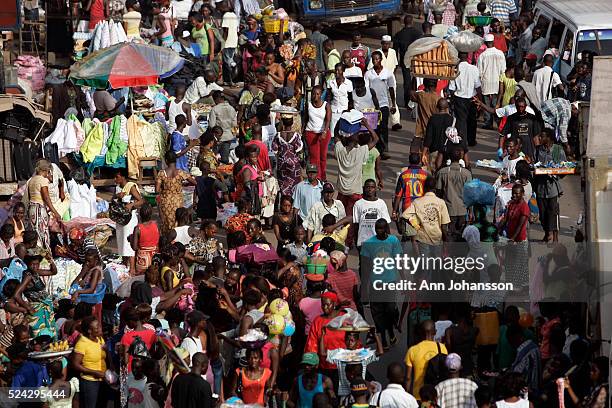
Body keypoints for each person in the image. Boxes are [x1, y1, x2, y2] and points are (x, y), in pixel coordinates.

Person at [534, 129, 566, 242]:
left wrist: (556, 172)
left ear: (548, 138)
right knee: (542, 214)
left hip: (553, 187)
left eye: (542, 136)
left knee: (553, 211)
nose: (540, 138)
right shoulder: (538, 150)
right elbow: (533, 164)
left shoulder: (558, 149)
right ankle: (547, 232)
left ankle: (554, 236)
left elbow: (564, 168)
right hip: (540, 186)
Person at [403, 176, 450, 252]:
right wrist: (445, 243)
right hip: (437, 238)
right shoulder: (441, 202)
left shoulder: (417, 202)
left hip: (423, 238)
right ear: (435, 189)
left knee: (425, 262)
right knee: (436, 262)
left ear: (424, 188)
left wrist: (417, 226)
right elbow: (444, 226)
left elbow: (405, 215)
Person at [405, 320, 448, 400]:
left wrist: (407, 396)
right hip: (437, 395)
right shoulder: (442, 348)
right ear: (435, 332)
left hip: (419, 396)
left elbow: (408, 378)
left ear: (420, 333)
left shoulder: (413, 350)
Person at [435, 146, 472, 240]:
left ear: (449, 157)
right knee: (461, 238)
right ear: (461, 158)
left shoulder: (442, 172)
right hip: (462, 210)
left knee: (448, 237)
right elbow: (470, 194)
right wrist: (471, 211)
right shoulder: (467, 174)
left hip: (447, 211)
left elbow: (438, 192)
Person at [365, 51, 396, 159]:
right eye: (373, 59)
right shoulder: (368, 74)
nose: (375, 61)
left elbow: (391, 89)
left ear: (381, 59)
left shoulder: (387, 73)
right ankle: (375, 149)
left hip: (384, 104)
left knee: (384, 127)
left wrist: (393, 104)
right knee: (374, 127)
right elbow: (366, 90)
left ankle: (384, 149)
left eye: (377, 59)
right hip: (372, 106)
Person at [71, 316, 108, 408]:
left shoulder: (99, 339)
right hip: (90, 382)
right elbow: (75, 364)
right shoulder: (82, 343)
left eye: (99, 326)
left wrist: (111, 367)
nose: (100, 328)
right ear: (89, 331)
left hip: (103, 379)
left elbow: (105, 356)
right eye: (97, 327)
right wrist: (94, 372)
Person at [156, 151, 196, 234]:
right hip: (178, 202)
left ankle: (168, 241)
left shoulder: (161, 173)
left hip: (166, 202)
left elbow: (157, 190)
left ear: (166, 160)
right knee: (178, 222)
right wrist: (181, 184)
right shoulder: (180, 172)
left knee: (167, 223)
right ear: (176, 160)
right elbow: (194, 182)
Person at [115, 167, 145, 272]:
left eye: (117, 177)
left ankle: (132, 268)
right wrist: (116, 196)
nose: (115, 179)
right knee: (121, 242)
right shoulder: (118, 188)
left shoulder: (130, 186)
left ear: (123, 177)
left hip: (129, 220)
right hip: (120, 219)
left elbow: (141, 201)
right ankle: (124, 265)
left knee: (129, 243)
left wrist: (132, 204)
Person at [27, 159, 62, 249]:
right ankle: (45, 257)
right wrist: (56, 212)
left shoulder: (32, 180)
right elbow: (46, 198)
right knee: (43, 234)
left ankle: (36, 255)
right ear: (46, 170)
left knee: (35, 233)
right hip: (39, 210)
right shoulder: (43, 180)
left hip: (32, 209)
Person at [450, 52, 482, 146]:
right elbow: (478, 86)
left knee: (461, 121)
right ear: (468, 56)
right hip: (472, 98)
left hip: (459, 98)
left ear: (459, 57)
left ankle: (462, 141)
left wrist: (452, 100)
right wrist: (480, 101)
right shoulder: (473, 68)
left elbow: (452, 88)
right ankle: (471, 140)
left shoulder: (455, 69)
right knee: (472, 120)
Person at [478, 34, 506, 129]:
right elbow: (503, 70)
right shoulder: (500, 53)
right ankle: (498, 122)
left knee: (486, 104)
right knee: (496, 103)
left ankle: (488, 122)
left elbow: (480, 72)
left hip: (486, 82)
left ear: (485, 43)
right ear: (493, 42)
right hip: (497, 82)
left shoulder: (482, 55)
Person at [393, 15, 422, 107]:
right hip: (416, 61)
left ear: (403, 23)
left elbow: (395, 50)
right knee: (417, 80)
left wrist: (396, 63)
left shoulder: (398, 34)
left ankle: (407, 101)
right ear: (412, 22)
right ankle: (416, 100)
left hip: (404, 61)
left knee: (407, 81)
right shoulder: (418, 34)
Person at [304, 85, 332, 181]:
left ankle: (323, 175)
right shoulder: (308, 104)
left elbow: (328, 120)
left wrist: (324, 131)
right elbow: (306, 118)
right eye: (313, 94)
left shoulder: (326, 105)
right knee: (314, 157)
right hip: (311, 132)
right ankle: (316, 177)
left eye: (317, 94)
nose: (315, 96)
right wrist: (303, 130)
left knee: (323, 156)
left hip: (323, 133)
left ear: (321, 95)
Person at [353, 179, 391, 248]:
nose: (370, 189)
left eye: (372, 187)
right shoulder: (358, 204)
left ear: (375, 189)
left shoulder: (381, 203)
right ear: (364, 189)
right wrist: (356, 242)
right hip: (363, 242)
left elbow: (386, 224)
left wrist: (388, 241)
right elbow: (356, 225)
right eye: (368, 187)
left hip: (378, 242)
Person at [273, 115, 303, 196]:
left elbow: (275, 150)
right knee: (294, 185)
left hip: (281, 164)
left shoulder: (278, 135)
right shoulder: (296, 136)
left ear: (282, 122)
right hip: (294, 165)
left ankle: (284, 201)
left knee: (283, 184)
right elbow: (299, 150)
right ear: (292, 123)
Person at [507, 323, 541, 393]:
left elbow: (517, 373)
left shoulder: (523, 351)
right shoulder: (534, 346)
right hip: (536, 386)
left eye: (510, 341)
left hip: (527, 390)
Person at [129, 203, 160, 276]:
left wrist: (131, 239)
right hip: (154, 257)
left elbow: (134, 247)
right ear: (151, 215)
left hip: (142, 260)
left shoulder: (138, 228)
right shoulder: (156, 225)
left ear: (140, 215)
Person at [208, 91, 237, 164]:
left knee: (213, 158)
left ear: (216, 99)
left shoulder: (215, 109)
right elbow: (234, 124)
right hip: (228, 136)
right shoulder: (231, 108)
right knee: (225, 158)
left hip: (218, 137)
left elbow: (211, 125)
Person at [327, 63, 353, 136]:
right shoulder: (331, 82)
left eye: (339, 70)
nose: (337, 72)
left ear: (343, 71)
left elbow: (351, 99)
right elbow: (329, 97)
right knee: (333, 132)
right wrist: (328, 108)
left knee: (344, 133)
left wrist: (349, 110)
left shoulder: (348, 83)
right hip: (334, 110)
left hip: (344, 111)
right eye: (336, 70)